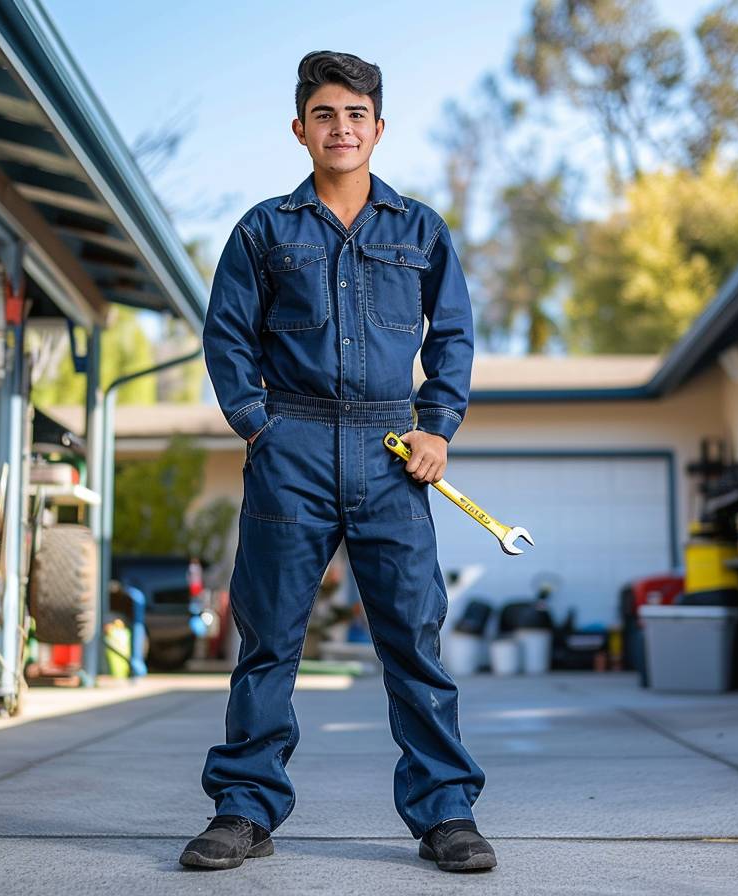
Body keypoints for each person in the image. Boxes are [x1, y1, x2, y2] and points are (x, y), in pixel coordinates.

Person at [180, 50, 494, 873]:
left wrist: (438, 427)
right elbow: (226, 336)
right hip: (293, 446)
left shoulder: (420, 230)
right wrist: (260, 427)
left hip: (391, 453)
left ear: (378, 128)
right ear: (300, 129)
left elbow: (453, 337)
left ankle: (446, 813)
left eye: (356, 115)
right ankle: (244, 809)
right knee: (268, 637)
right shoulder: (263, 230)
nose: (341, 128)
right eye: (325, 114)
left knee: (413, 637)